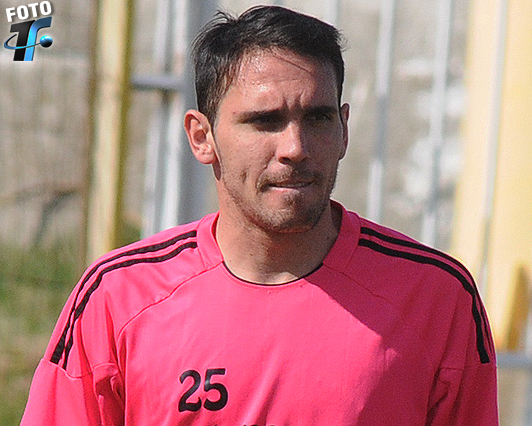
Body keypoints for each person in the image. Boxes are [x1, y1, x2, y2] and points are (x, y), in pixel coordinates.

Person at [20, 5, 498, 425]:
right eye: (265, 121)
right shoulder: (118, 298)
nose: (295, 148)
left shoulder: (435, 298)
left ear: (344, 129)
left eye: (318, 118)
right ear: (202, 137)